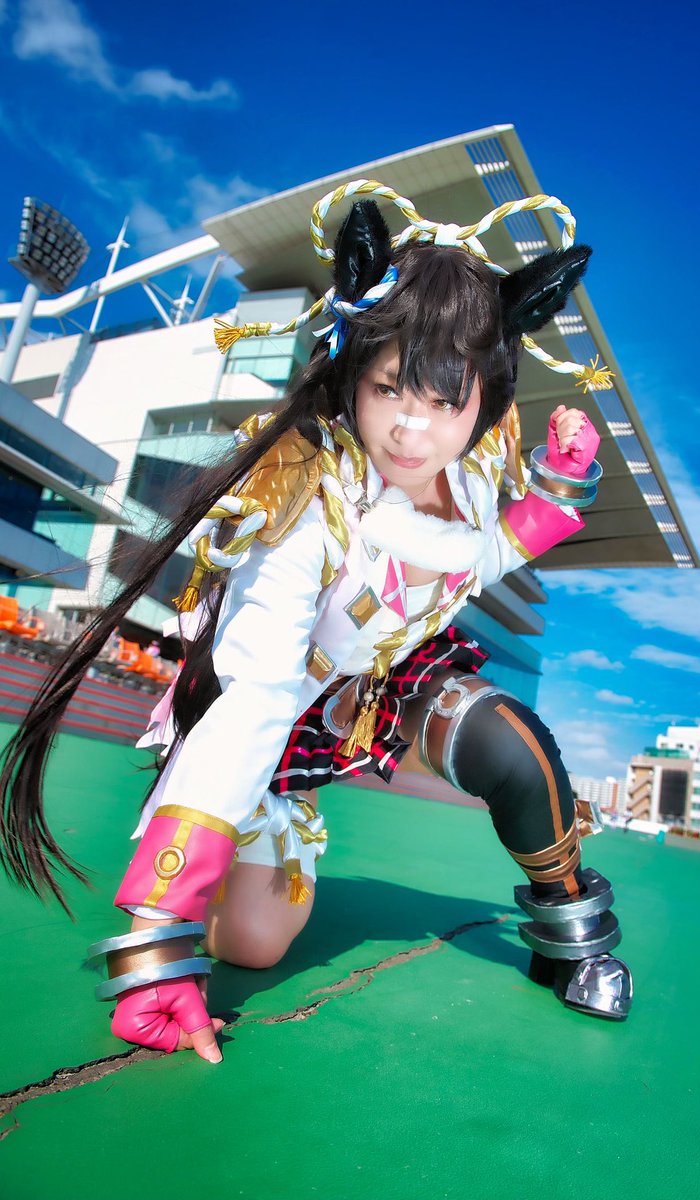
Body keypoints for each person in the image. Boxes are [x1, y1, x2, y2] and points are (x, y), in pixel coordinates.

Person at [0, 180, 633, 1065]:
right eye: (389, 388)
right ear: (353, 372)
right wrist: (155, 943)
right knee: (252, 946)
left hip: (387, 673)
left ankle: (574, 932)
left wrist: (560, 490)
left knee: (508, 742)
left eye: (444, 402)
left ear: (482, 402)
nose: (412, 431)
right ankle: (232, 844)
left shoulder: (474, 462)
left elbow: (476, 555)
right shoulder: (301, 501)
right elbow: (257, 699)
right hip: (283, 701)